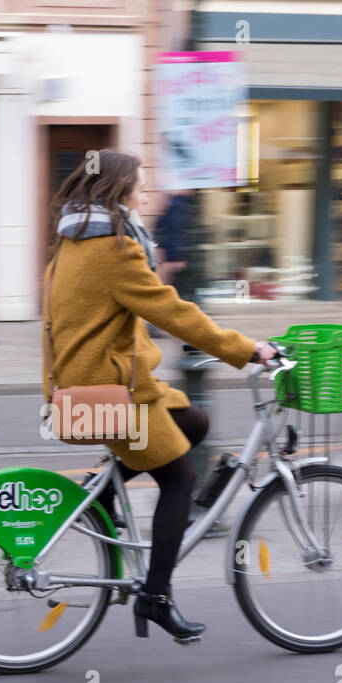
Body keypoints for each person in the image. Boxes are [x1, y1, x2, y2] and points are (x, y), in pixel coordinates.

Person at [43, 150, 277, 642]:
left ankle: (101, 497)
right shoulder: (114, 249)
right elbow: (174, 311)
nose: (147, 195)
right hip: (106, 396)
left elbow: (111, 321)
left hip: (85, 389)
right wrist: (246, 349)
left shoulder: (70, 243)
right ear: (117, 192)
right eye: (140, 188)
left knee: (194, 422)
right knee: (180, 478)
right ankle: (156, 596)